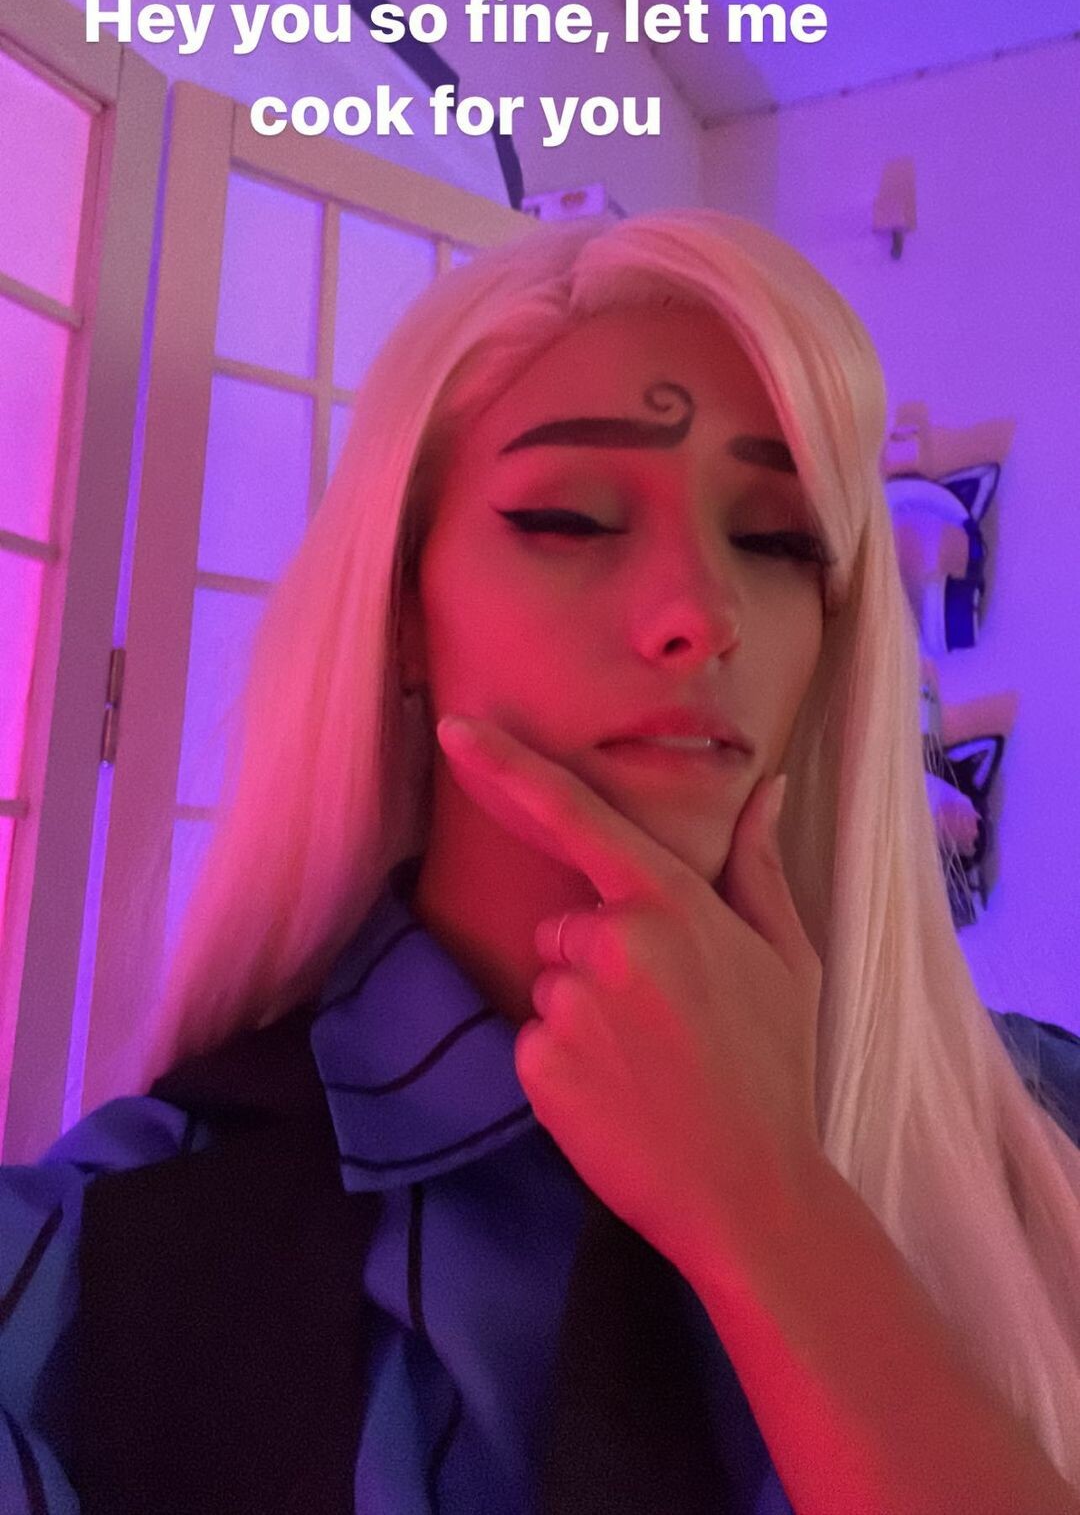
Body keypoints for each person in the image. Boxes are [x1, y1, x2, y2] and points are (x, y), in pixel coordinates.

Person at [2, 208, 1080, 1514]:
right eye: (569, 519)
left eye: (777, 538)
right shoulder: (90, 1269)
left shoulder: (1048, 1141)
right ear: (402, 612)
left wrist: (773, 1209)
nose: (701, 614)